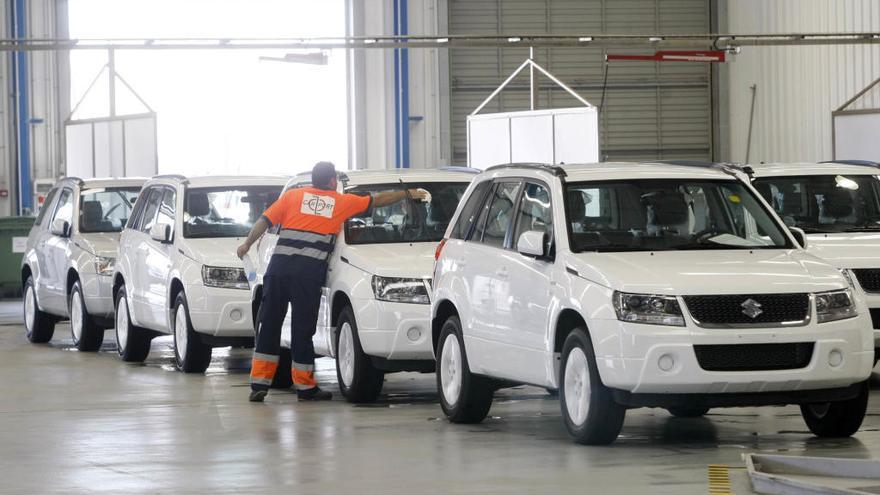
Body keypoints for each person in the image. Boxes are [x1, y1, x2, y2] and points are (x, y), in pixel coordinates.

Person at [237, 161, 428, 402]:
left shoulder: (293, 196)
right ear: (331, 182)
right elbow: (377, 200)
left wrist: (246, 243)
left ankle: (258, 385)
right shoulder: (340, 202)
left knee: (269, 325)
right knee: (302, 330)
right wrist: (407, 194)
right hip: (306, 275)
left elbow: (264, 221)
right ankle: (305, 388)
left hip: (278, 270)